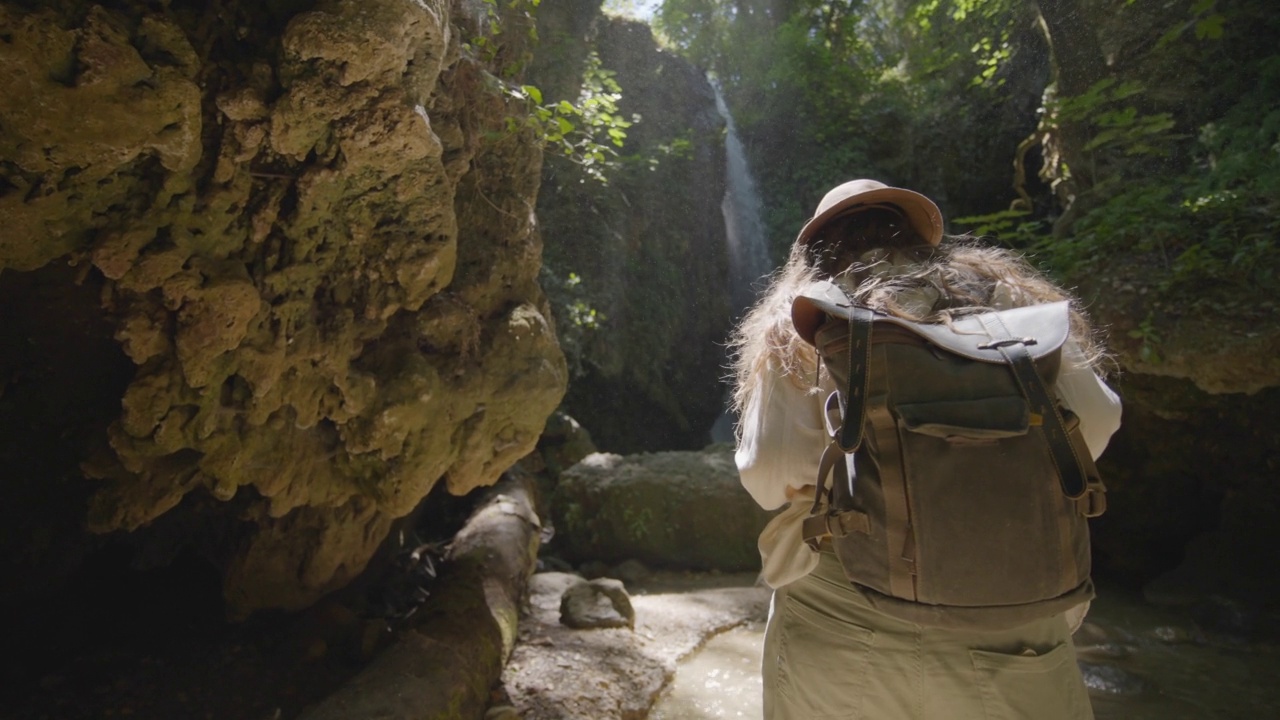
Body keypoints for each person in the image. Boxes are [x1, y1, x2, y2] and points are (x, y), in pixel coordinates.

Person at [730, 179, 1122, 720]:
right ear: (925, 238)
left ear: (813, 252)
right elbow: (1098, 422)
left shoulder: (802, 319)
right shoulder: (1010, 302)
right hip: (1014, 600)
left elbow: (767, 473)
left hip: (846, 608)